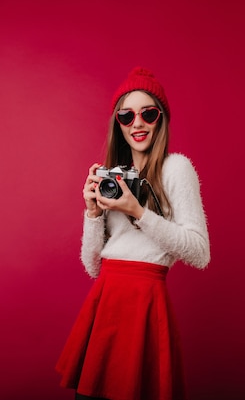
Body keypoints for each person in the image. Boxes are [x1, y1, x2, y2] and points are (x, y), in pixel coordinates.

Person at [55, 67, 210, 400]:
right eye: (126, 116)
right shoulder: (116, 176)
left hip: (145, 298)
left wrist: (138, 212)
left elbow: (200, 252)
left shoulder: (176, 168)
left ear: (161, 119)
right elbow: (94, 266)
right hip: (106, 296)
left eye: (148, 113)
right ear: (118, 123)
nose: (137, 123)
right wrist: (93, 213)